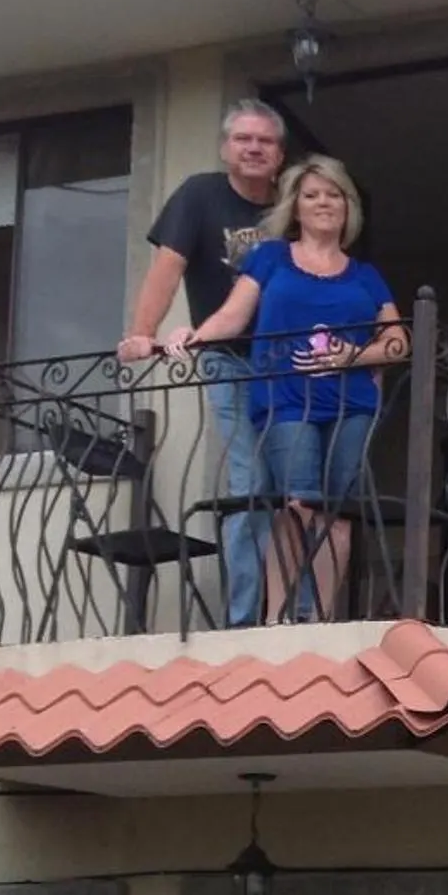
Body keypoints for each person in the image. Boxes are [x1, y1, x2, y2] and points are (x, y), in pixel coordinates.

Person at [165, 156, 405, 623]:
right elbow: (234, 316)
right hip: (285, 398)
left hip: (351, 401)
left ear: (347, 206)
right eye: (311, 194)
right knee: (297, 505)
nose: (322, 203)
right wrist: (189, 336)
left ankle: (316, 618)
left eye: (333, 194)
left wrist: (352, 356)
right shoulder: (270, 257)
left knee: (337, 512)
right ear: (295, 206)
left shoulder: (364, 274)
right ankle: (277, 620)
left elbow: (397, 342)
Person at [117, 99, 288, 627]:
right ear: (225, 148)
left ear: (280, 155)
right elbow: (168, 268)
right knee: (249, 482)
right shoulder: (200, 195)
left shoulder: (293, 203)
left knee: (296, 488)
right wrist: (142, 335)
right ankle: (244, 617)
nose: (254, 148)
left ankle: (290, 612)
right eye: (244, 139)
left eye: (265, 141)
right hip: (228, 360)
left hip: (292, 365)